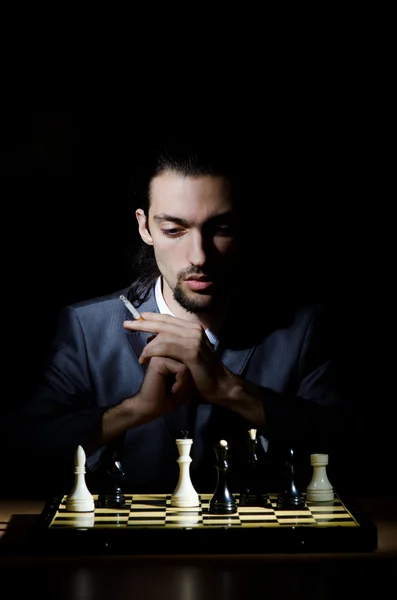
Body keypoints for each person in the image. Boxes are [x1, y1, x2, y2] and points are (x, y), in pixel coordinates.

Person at [1, 136, 349, 498]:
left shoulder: (302, 328)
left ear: (243, 228)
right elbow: (19, 448)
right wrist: (133, 411)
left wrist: (231, 390)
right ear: (145, 228)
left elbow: (356, 448)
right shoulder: (88, 328)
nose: (198, 256)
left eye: (221, 229)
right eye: (174, 230)